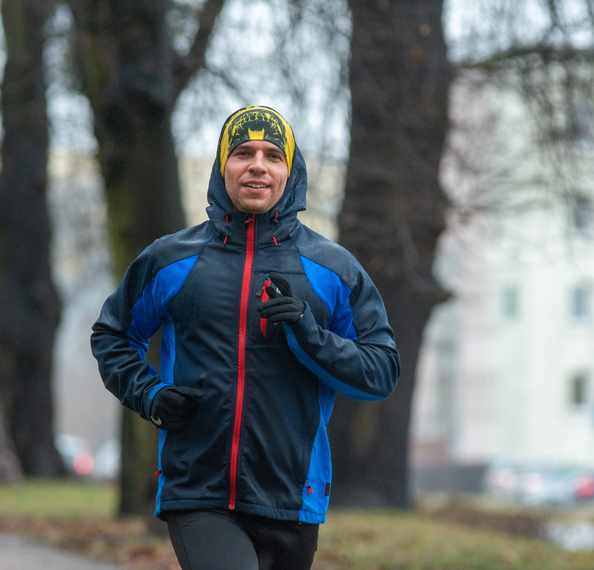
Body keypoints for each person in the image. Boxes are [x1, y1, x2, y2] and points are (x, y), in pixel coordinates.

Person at [91, 105, 400, 569]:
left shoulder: (333, 270)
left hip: (293, 496)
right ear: (222, 166)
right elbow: (113, 336)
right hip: (199, 490)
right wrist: (150, 394)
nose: (258, 164)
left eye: (273, 155)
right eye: (243, 153)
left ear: (289, 172)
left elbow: (381, 372)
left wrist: (309, 334)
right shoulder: (171, 260)